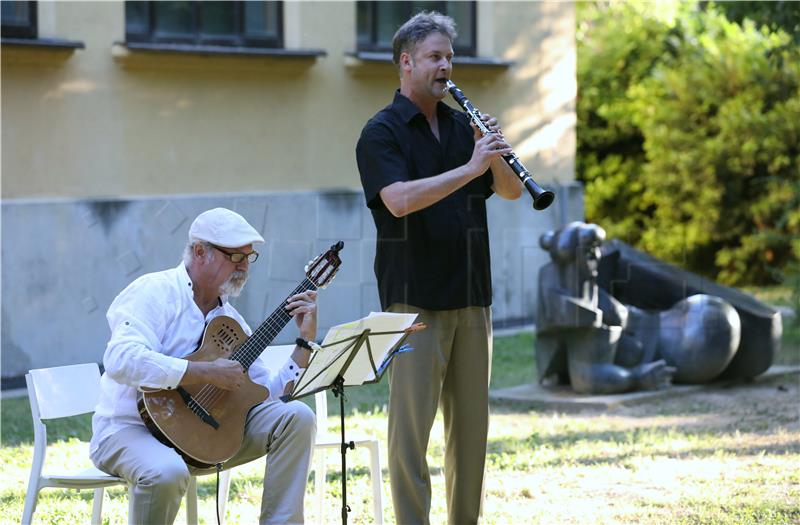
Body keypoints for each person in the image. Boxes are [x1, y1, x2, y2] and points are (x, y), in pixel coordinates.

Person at [355, 11, 523, 524]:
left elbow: (512, 190)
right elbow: (399, 200)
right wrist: (469, 167)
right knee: (411, 437)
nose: (446, 67)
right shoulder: (380, 132)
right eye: (435, 57)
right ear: (406, 62)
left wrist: (491, 153)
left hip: (472, 294)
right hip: (414, 299)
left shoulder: (460, 126)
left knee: (471, 435)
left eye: (450, 57)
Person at [89, 207, 317, 525]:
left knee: (296, 417)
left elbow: (268, 397)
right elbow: (120, 359)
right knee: (166, 471)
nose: (243, 267)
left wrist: (304, 342)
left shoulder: (233, 323)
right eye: (234, 257)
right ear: (199, 251)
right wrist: (202, 372)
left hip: (204, 439)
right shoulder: (154, 292)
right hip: (129, 430)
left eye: (248, 258)